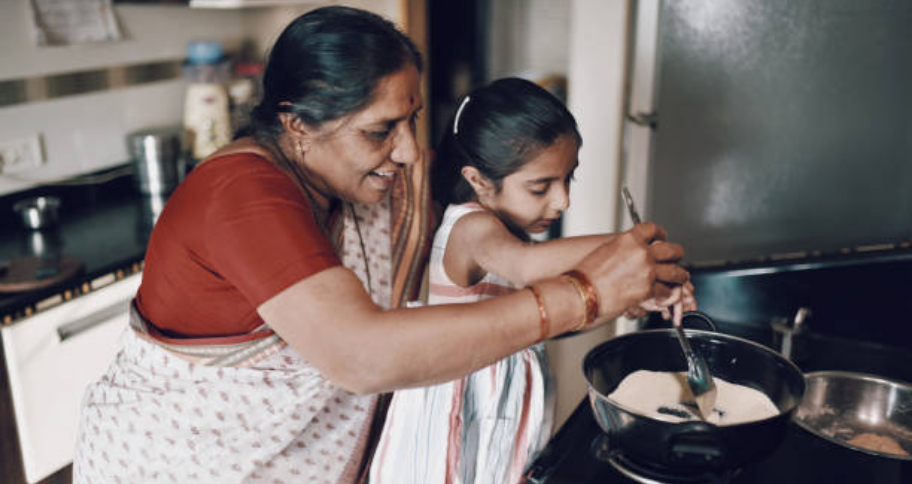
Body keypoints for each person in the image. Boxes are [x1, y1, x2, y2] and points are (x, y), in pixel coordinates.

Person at [73, 6, 692, 484]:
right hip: (189, 467)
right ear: (296, 124)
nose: (404, 151)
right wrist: (587, 292)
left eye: (411, 119)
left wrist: (619, 289)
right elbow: (362, 356)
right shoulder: (241, 194)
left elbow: (469, 314)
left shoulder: (380, 187)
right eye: (379, 130)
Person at [368, 78, 696, 484]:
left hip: (497, 421)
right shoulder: (471, 227)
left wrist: (626, 297)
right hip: (453, 423)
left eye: (568, 179)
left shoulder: (511, 230)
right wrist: (626, 247)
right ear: (478, 180)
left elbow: (559, 316)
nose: (562, 201)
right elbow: (525, 266)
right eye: (541, 187)